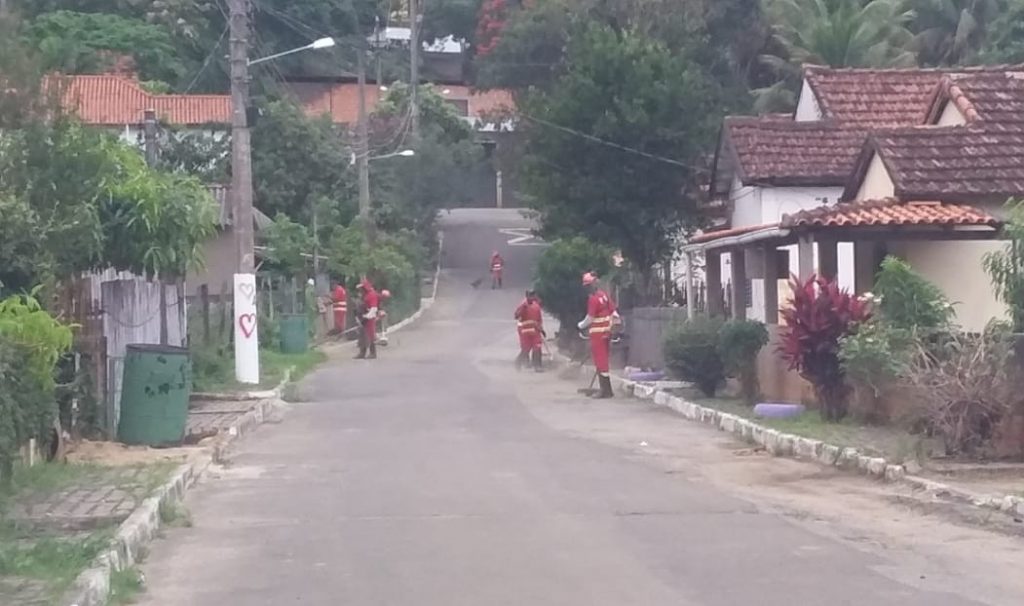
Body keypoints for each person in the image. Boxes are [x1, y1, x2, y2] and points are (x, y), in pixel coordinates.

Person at [577, 272, 619, 398]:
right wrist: (615, 324)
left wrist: (580, 325)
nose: (587, 288)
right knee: (603, 360)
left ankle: (605, 390)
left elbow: (590, 318)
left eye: (587, 285)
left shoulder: (593, 299)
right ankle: (606, 389)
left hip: (598, 334)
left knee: (600, 361)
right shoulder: (603, 295)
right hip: (606, 332)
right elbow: (613, 311)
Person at [514, 289, 545, 371]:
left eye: (533, 295)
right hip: (525, 331)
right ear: (527, 296)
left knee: (537, 347)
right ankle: (518, 362)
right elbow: (516, 316)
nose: (532, 297)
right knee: (526, 349)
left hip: (535, 331)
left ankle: (537, 366)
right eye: (530, 296)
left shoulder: (536, 305)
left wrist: (541, 329)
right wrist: (522, 310)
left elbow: (539, 319)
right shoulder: (523, 305)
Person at [355, 278, 380, 359]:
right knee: (362, 335)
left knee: (370, 335)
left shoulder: (372, 295)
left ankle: (373, 353)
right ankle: (362, 352)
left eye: (361, 288)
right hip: (363, 317)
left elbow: (373, 308)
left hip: (370, 318)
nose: (360, 290)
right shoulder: (364, 295)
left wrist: (367, 317)